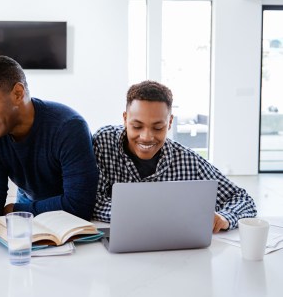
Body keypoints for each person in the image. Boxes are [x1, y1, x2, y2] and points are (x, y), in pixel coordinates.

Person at [0, 55, 98, 233]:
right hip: (28, 206)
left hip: (65, 217)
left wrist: (16, 210)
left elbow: (79, 204)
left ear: (18, 93)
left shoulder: (68, 127)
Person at [92, 80, 257, 232]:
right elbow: (92, 200)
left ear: (170, 122)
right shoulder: (104, 142)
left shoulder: (187, 160)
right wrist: (150, 215)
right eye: (137, 126)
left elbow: (242, 199)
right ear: (125, 118)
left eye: (157, 128)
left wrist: (224, 217)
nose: (146, 137)